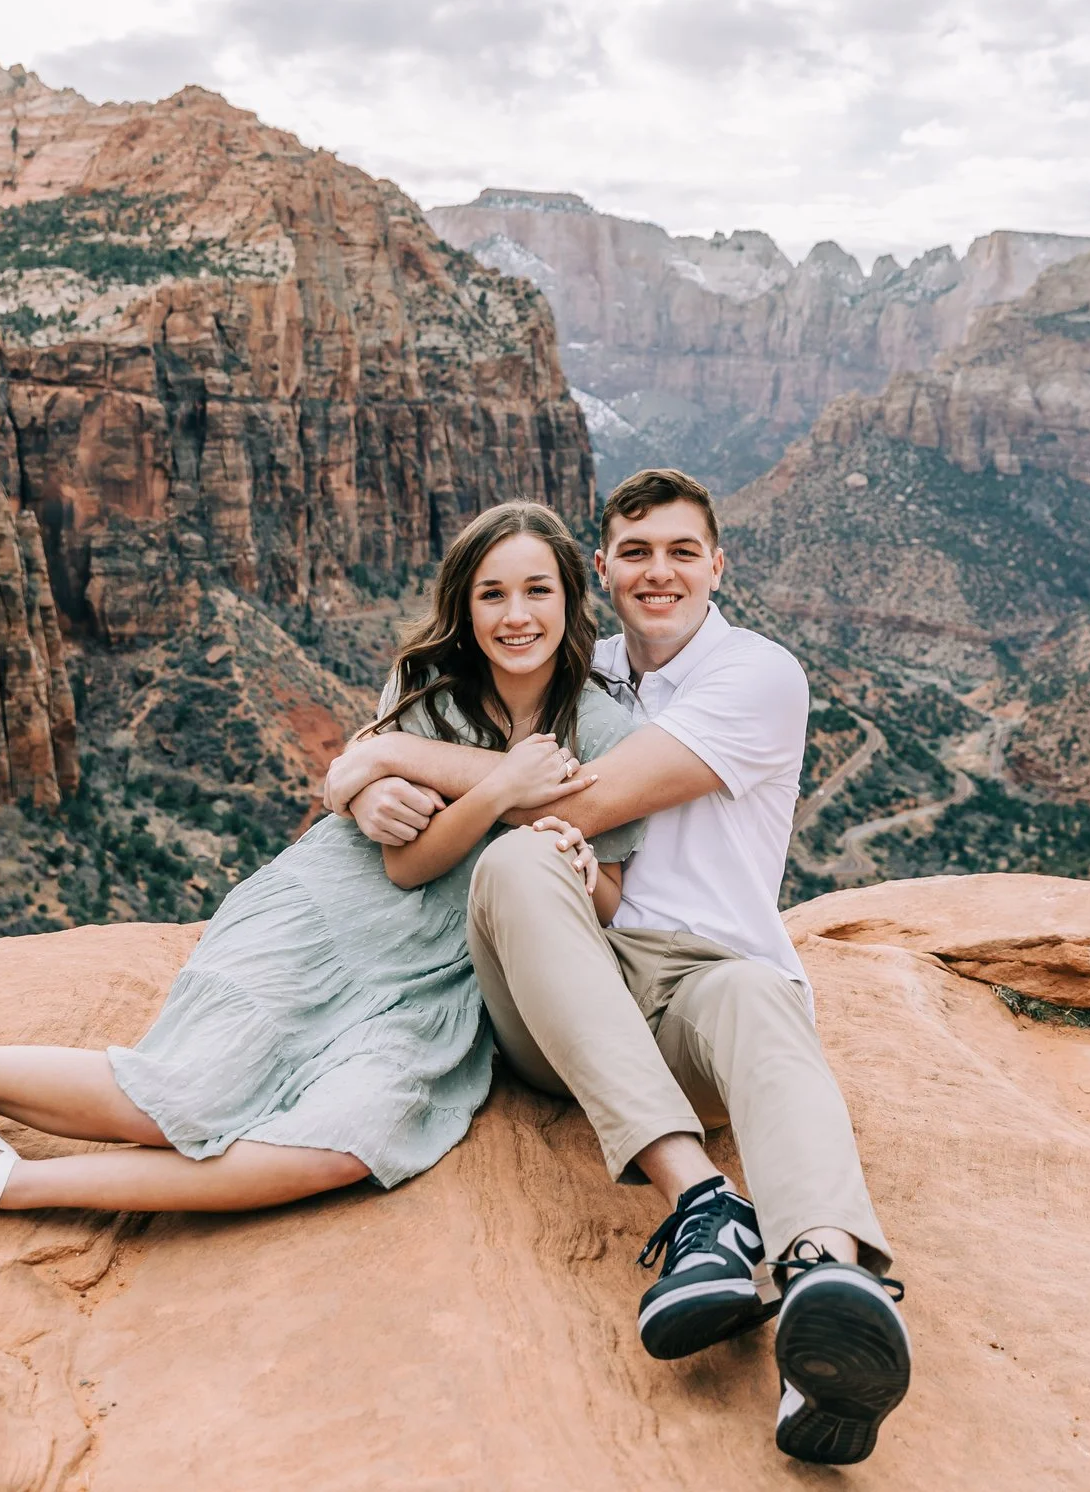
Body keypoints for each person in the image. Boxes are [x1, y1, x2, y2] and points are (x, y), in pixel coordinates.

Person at [0, 501, 642, 1222]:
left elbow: (602, 896)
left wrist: (382, 765)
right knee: (182, 1100)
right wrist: (478, 785)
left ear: (570, 598)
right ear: (463, 605)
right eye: (491, 593)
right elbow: (404, 870)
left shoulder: (607, 724)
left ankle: (5, 1179)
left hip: (438, 987)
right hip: (336, 921)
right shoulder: (429, 688)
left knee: (350, 1145)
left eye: (536, 591)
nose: (515, 616)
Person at [324, 467, 910, 1467]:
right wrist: (357, 771)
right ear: (601, 567)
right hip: (562, 995)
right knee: (517, 861)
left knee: (762, 994)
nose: (659, 571)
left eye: (683, 550)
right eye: (635, 551)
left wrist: (379, 762)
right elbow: (491, 779)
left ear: (718, 563)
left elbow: (576, 796)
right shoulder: (574, 666)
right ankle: (704, 1207)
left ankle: (824, 1291)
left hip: (695, 988)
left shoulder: (754, 672)